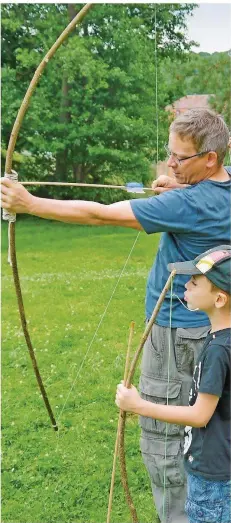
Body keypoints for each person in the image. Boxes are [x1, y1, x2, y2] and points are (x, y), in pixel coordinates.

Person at [1, 108, 231, 522]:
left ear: (210, 157)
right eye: (169, 154)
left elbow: (98, 213)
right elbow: (202, 207)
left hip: (177, 335)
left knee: (163, 443)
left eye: (181, 158)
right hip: (216, 328)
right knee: (212, 430)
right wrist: (176, 191)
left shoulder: (189, 203)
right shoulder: (222, 192)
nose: (170, 165)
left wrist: (29, 202)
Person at [116, 245, 231, 523]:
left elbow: (199, 415)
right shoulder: (220, 340)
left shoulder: (219, 350)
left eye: (194, 281)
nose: (186, 285)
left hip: (212, 481)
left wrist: (140, 405)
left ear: (219, 299)